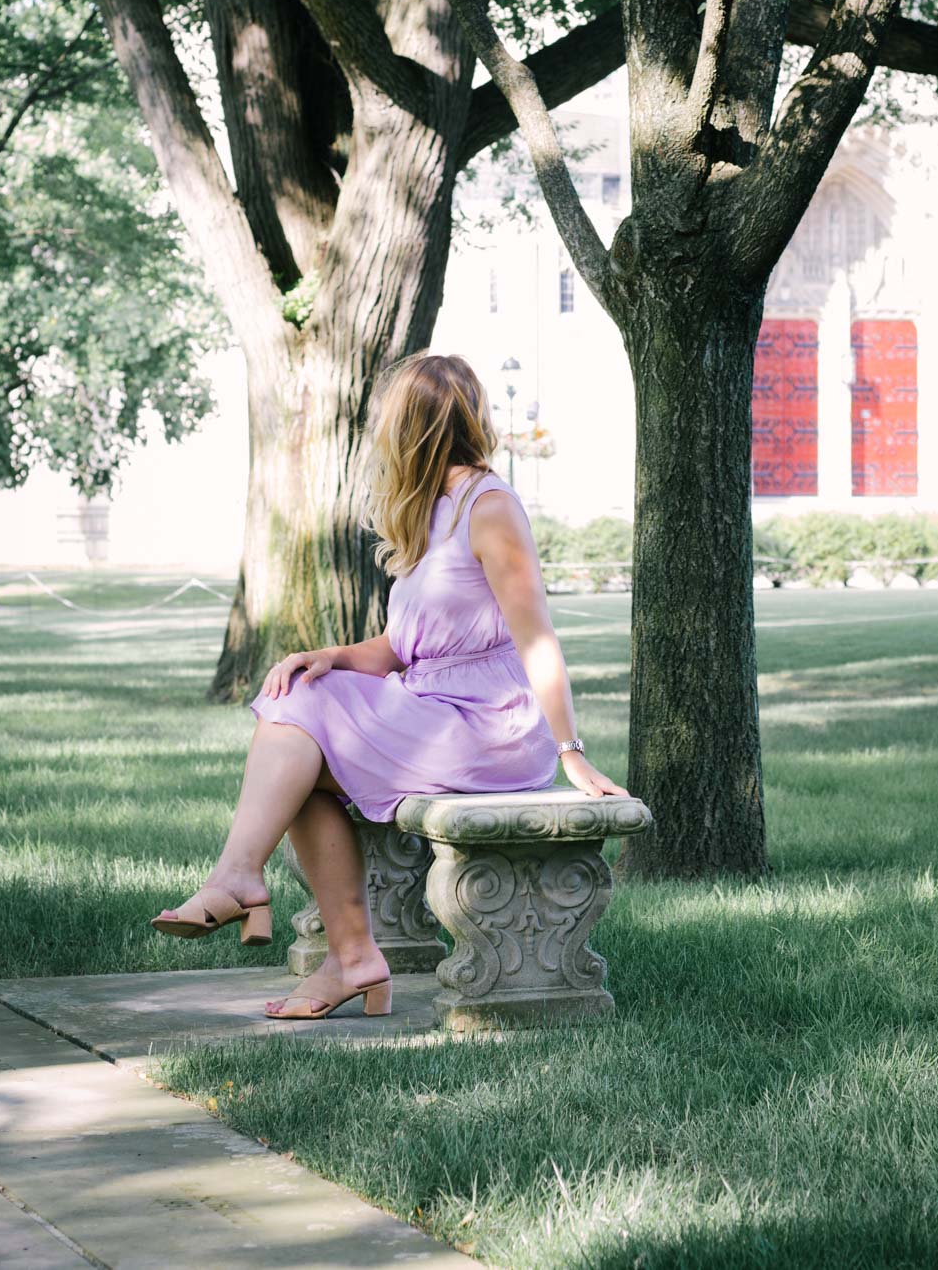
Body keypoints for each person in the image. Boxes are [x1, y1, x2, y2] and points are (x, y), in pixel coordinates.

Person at [150, 350, 627, 1020]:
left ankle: (243, 884)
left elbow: (537, 638)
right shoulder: (431, 512)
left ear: (410, 428)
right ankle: (349, 955)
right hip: (432, 709)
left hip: (490, 727)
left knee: (296, 723)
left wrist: (570, 751)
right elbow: (406, 648)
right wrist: (331, 655)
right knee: (297, 734)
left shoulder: (489, 508)